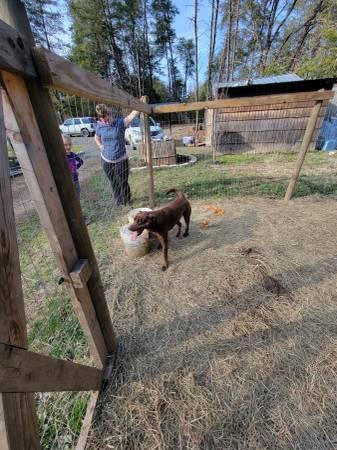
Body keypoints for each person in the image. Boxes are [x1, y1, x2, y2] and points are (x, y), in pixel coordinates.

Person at [95, 103, 141, 206]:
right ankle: (118, 201)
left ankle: (126, 200)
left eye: (107, 117)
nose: (106, 120)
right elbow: (96, 137)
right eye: (103, 119)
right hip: (106, 160)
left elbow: (132, 116)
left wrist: (140, 103)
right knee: (113, 182)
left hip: (121, 160)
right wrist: (100, 146)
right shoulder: (100, 126)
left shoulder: (120, 123)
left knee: (123, 181)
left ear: (111, 114)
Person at [62, 134, 83, 199]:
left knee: (77, 198)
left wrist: (74, 169)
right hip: (66, 182)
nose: (68, 147)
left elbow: (81, 161)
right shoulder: (61, 157)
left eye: (70, 144)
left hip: (75, 180)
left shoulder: (73, 155)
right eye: (65, 145)